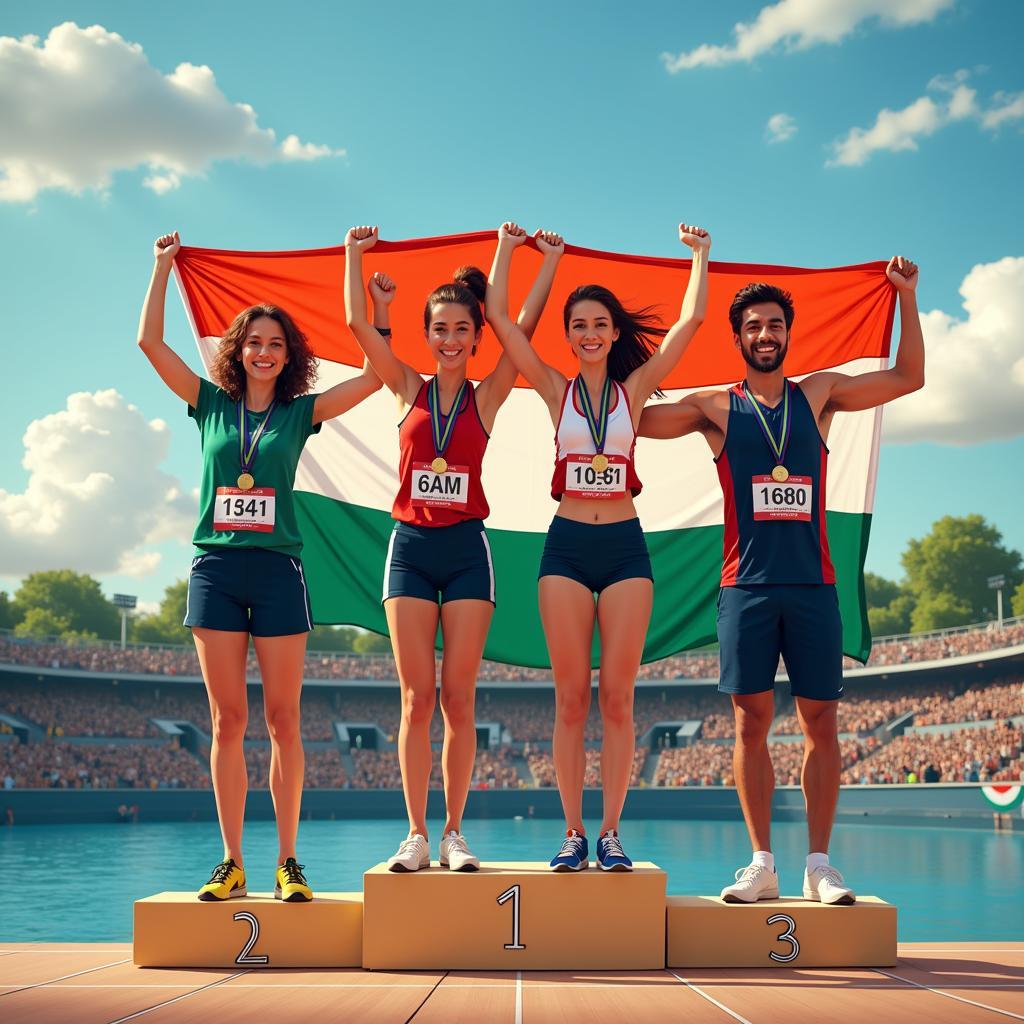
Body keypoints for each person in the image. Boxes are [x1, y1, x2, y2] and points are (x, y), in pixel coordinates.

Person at [640, 256, 923, 904]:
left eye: (774, 325)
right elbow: (633, 420)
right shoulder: (714, 407)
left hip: (812, 585)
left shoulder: (818, 396)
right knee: (750, 723)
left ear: (787, 334)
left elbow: (910, 376)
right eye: (753, 325)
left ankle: (819, 864)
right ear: (737, 336)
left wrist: (906, 297)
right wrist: (600, 374)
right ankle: (762, 862)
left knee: (821, 721)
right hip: (745, 586)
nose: (765, 334)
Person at [139, 231, 382, 902]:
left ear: (289, 355)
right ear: (236, 351)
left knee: (283, 721)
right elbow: (149, 345)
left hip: (279, 570)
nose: (264, 352)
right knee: (227, 721)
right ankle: (230, 860)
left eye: (276, 343)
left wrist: (373, 303)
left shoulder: (300, 414)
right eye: (253, 342)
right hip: (215, 568)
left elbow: (374, 376)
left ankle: (289, 861)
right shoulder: (208, 403)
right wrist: (162, 269)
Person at [487, 222, 711, 871]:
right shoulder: (556, 390)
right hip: (563, 548)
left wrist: (699, 256)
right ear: (571, 335)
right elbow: (502, 319)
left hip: (623, 548)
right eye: (578, 324)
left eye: (600, 324)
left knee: (617, 697)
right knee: (569, 698)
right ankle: (572, 832)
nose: (589, 333)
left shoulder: (631, 393)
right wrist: (528, 256)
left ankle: (611, 833)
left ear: (615, 333)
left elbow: (690, 323)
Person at [344, 222, 560, 872]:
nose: (450, 339)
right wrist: (353, 256)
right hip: (409, 548)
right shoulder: (407, 388)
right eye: (439, 328)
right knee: (414, 699)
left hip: (468, 549)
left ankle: (454, 834)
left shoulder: (487, 397)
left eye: (462, 329)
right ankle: (414, 833)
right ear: (427, 334)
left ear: (473, 336)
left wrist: (530, 257)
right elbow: (359, 329)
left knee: (458, 699)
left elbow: (520, 322)